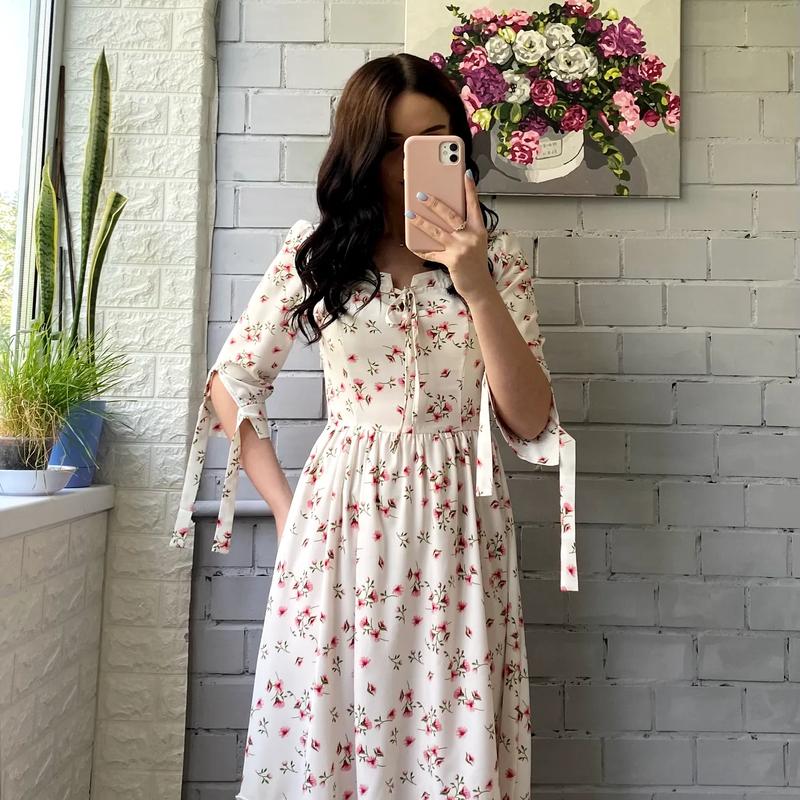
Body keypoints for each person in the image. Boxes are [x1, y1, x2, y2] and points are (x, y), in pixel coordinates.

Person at [170, 52, 577, 800]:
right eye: (392, 146)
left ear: (459, 142)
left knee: (448, 734)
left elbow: (529, 420)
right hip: (340, 522)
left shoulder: (499, 261)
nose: (409, 163)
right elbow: (232, 383)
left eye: (434, 139)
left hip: (461, 522)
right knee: (334, 729)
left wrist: (475, 283)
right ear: (361, 149)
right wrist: (286, 511)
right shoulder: (317, 253)